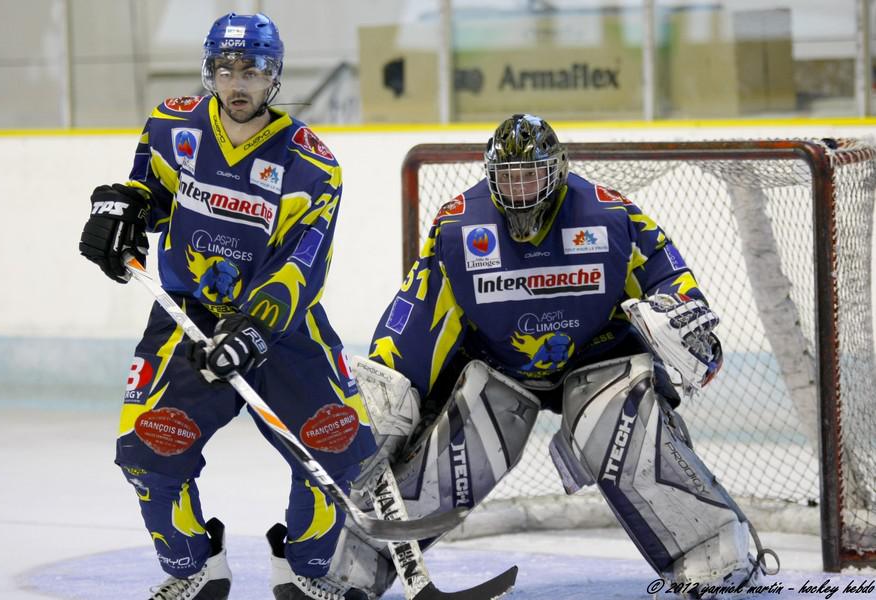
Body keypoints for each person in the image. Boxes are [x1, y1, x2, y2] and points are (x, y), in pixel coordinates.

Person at [319, 114, 777, 599]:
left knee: (613, 420)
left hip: (597, 361)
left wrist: (684, 322)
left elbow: (671, 282)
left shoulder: (611, 216)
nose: (520, 191)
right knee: (472, 431)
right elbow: (418, 315)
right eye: (509, 179)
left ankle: (714, 552)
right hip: (498, 370)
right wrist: (387, 394)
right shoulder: (458, 228)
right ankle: (356, 561)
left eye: (531, 176)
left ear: (557, 170)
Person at [78, 13, 375, 600]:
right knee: (147, 453)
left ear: (275, 76)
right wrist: (122, 216)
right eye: (226, 68)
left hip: (281, 327)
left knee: (341, 454)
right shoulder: (171, 126)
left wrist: (255, 330)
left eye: (254, 70)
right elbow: (152, 195)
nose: (239, 83)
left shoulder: (311, 164)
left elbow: (301, 267)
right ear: (210, 71)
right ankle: (196, 567)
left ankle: (305, 571)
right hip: (188, 315)